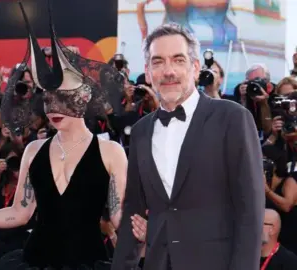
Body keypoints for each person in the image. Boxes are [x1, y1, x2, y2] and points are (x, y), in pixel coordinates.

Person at [0, 1, 126, 269]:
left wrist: (153, 227)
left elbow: (118, 216)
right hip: (35, 260)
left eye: (61, 98)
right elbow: (20, 212)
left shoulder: (110, 152)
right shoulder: (34, 150)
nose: (52, 107)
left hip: (89, 261)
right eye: (47, 99)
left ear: (82, 97)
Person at [112, 23, 264, 270]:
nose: (168, 71)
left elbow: (250, 211)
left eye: (178, 60)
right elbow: (133, 209)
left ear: (194, 68)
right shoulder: (141, 131)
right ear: (148, 73)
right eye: (158, 62)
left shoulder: (232, 118)